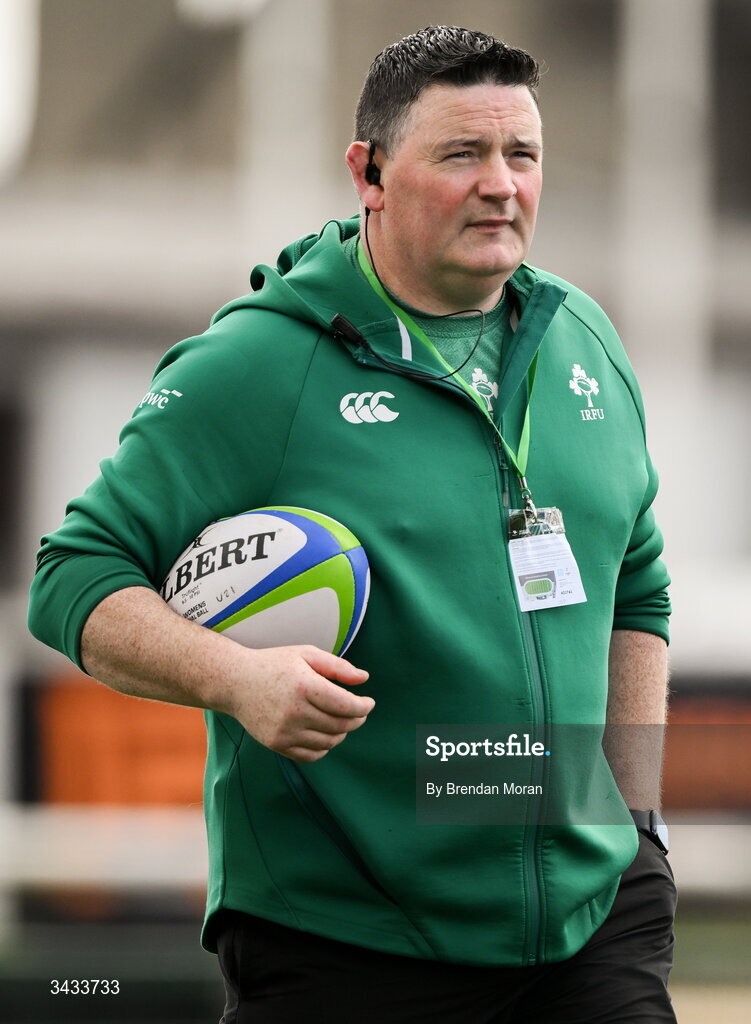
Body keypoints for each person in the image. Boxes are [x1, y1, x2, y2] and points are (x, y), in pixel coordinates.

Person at [28, 25, 676, 1023]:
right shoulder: (258, 365)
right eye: (461, 154)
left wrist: (636, 823)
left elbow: (637, 581)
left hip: (591, 934)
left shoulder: (584, 339)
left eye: (522, 154)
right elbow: (72, 576)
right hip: (348, 941)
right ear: (368, 173)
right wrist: (235, 679)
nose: (500, 185)